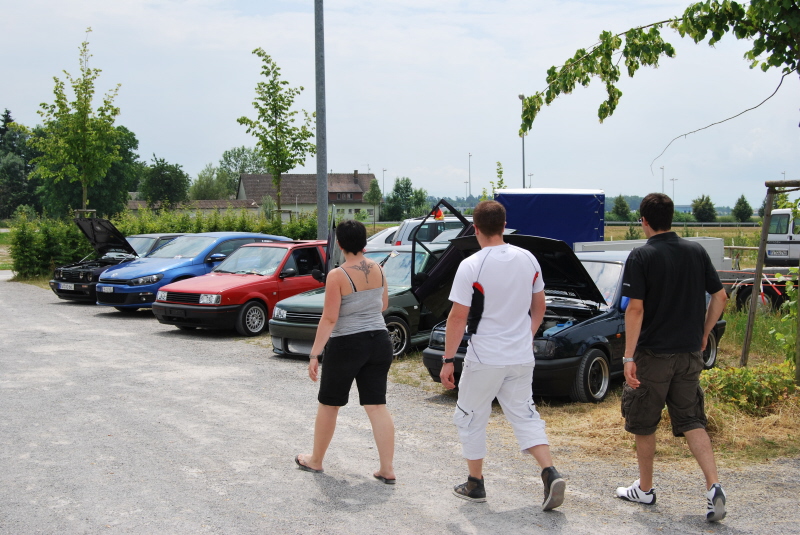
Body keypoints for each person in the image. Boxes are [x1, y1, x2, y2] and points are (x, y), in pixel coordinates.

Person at [440, 200, 565, 510]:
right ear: (504, 225)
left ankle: (475, 483)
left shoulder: (471, 265)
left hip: (485, 356)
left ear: (476, 228)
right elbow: (540, 305)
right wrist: (528, 334)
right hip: (521, 355)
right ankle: (550, 472)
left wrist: (447, 360)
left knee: (470, 415)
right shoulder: (528, 258)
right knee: (525, 414)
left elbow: (457, 317)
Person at [616, 193, 728, 522]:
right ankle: (713, 487)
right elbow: (720, 297)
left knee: (644, 421)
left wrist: (628, 356)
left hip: (653, 355)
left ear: (644, 221)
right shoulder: (696, 251)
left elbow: (635, 309)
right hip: (689, 354)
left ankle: (645, 489)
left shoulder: (641, 255)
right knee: (692, 420)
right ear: (671, 217)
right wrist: (704, 333)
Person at [294, 220, 396, 484]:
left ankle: (316, 460)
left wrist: (314, 354)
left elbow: (329, 318)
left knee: (330, 404)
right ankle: (387, 469)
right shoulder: (379, 269)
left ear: (339, 244)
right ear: (364, 242)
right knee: (376, 405)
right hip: (380, 340)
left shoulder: (337, 275)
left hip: (348, 344)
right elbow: (383, 304)